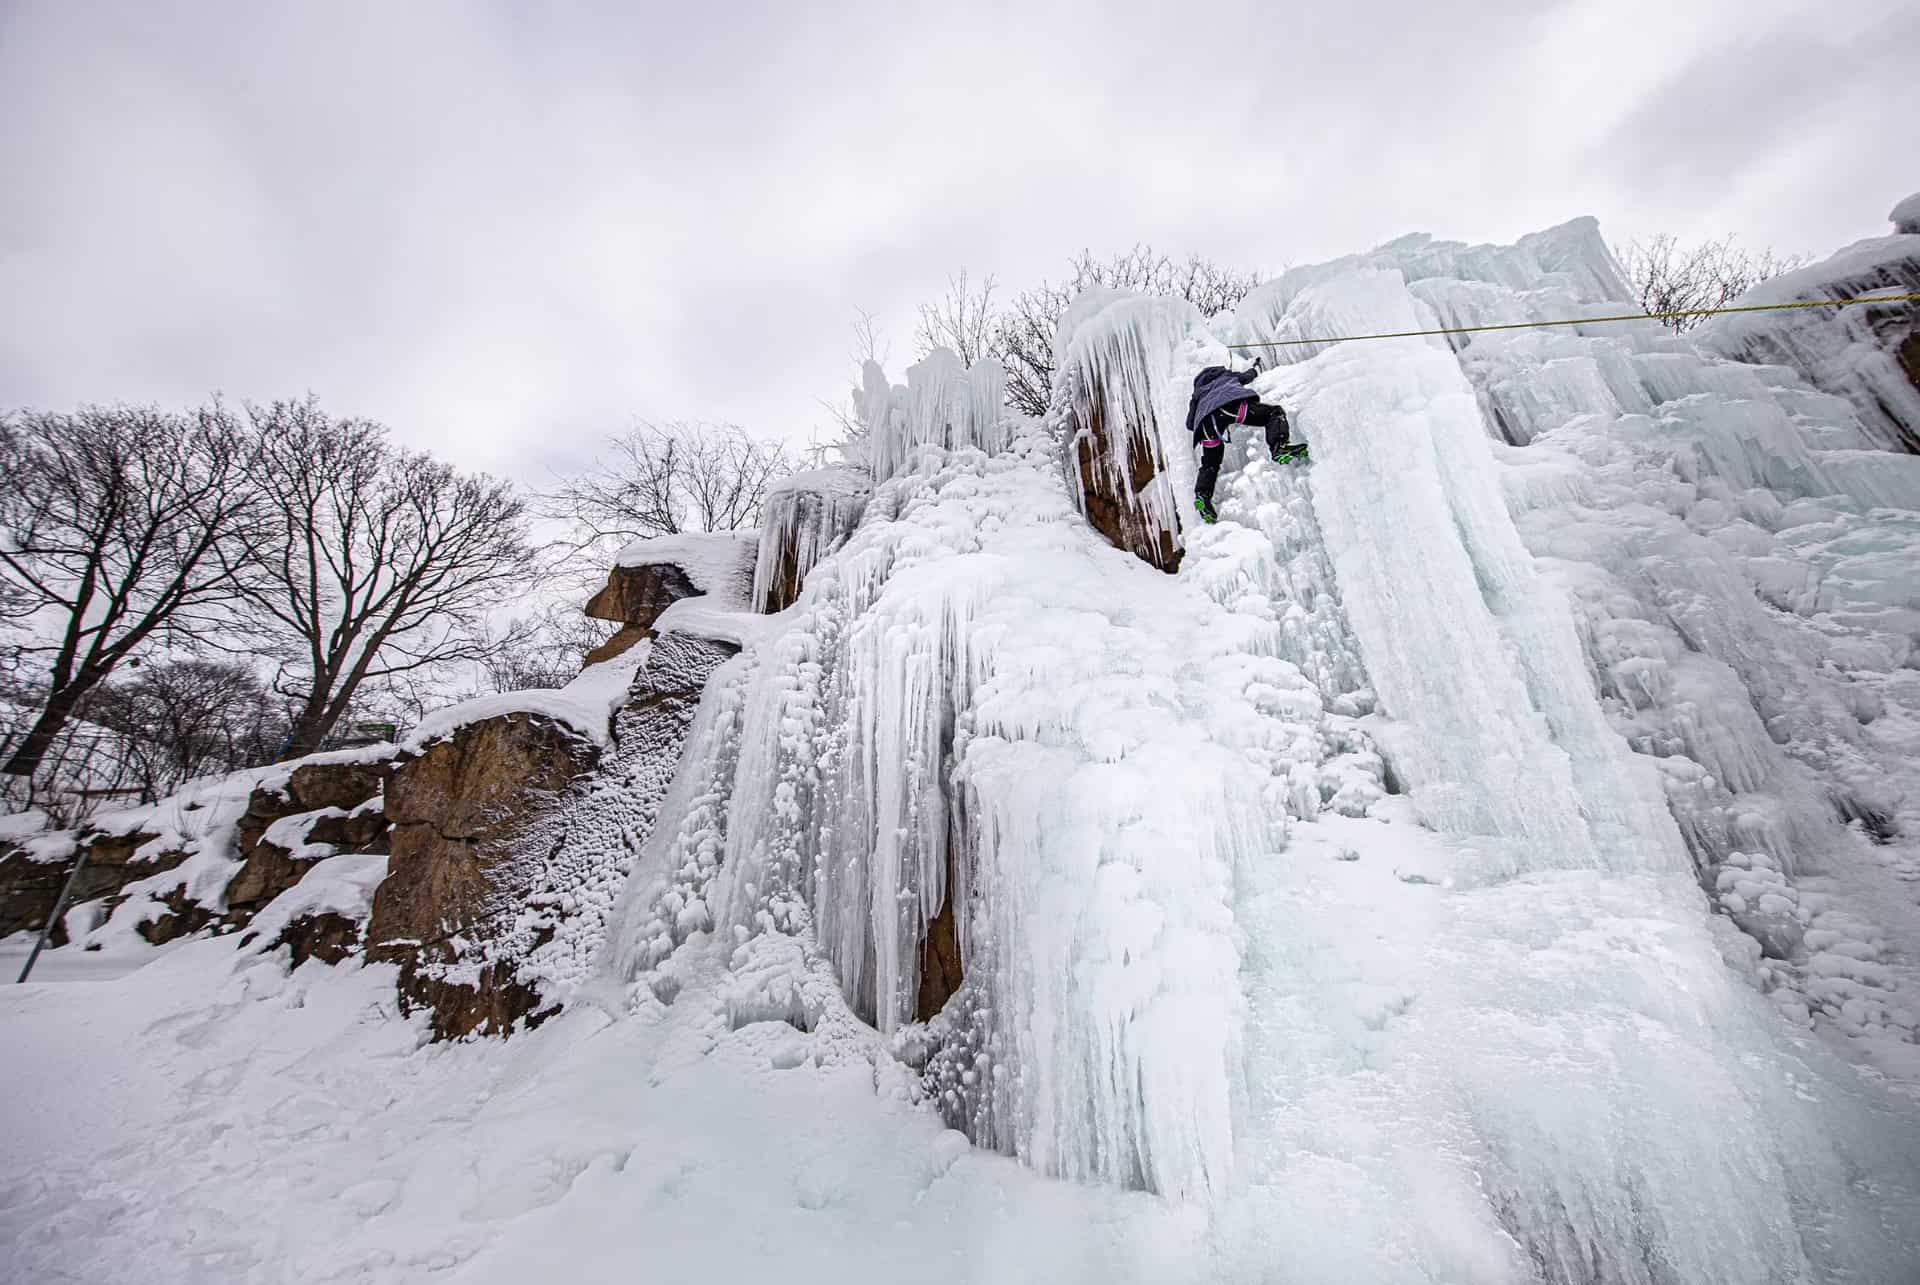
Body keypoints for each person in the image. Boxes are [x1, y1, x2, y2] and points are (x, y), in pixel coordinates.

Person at [1184, 363, 1306, 524]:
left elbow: (1189, 424)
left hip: (1207, 425)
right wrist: (1255, 369)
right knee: (1274, 413)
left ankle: (1203, 496)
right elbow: (1246, 377)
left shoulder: (1197, 393)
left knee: (1210, 464)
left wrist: (1201, 406)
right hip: (1229, 407)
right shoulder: (1226, 376)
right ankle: (1280, 447)